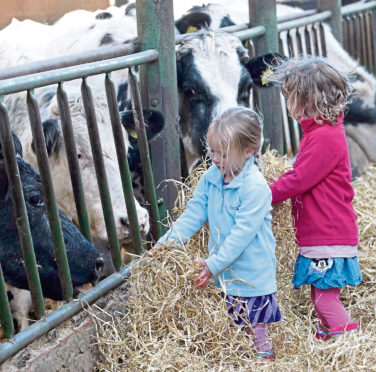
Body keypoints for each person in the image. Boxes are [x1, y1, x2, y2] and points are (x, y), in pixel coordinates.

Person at [153, 107, 281, 359]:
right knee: (232, 330)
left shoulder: (255, 188)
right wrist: (167, 243)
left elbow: (241, 236)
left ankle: (264, 361)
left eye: (223, 153)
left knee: (255, 329)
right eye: (211, 151)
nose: (215, 158)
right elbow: (193, 214)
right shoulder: (212, 178)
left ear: (249, 151)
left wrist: (213, 264)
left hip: (251, 275)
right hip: (224, 273)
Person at [267, 56, 362, 342]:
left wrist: (264, 195)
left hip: (328, 233)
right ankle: (329, 336)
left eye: (291, 98)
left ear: (309, 101)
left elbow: (299, 179)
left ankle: (347, 340)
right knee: (319, 293)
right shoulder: (320, 133)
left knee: (324, 298)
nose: (288, 105)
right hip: (323, 232)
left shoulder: (325, 137)